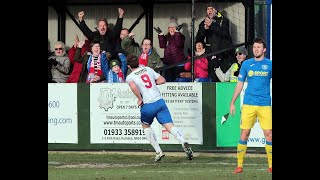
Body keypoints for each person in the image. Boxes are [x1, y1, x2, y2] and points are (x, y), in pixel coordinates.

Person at [125, 54, 193, 162]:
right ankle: (183, 140)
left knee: (145, 125)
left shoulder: (130, 76)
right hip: (160, 102)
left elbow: (133, 86)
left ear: (128, 66)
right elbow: (162, 80)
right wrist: (153, 83)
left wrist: (139, 98)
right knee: (170, 126)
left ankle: (158, 151)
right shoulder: (147, 69)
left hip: (148, 104)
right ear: (138, 62)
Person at [229, 38, 272, 173]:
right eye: (254, 47)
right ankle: (239, 165)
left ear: (264, 49)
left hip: (265, 104)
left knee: (269, 134)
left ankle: (271, 166)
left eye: (259, 47)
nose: (256, 49)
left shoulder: (270, 64)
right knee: (244, 134)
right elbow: (240, 84)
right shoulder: (247, 64)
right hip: (248, 104)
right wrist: (232, 102)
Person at [196, 3, 235, 82]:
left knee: (225, 83)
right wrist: (205, 29)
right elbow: (199, 39)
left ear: (216, 10)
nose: (209, 11)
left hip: (224, 58)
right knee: (213, 84)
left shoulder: (224, 21)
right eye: (208, 9)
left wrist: (212, 25)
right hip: (212, 59)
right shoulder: (203, 23)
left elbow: (225, 34)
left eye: (211, 9)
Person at [155, 16, 185, 82]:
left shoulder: (181, 36)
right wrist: (161, 35)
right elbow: (162, 45)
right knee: (168, 81)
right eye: (169, 27)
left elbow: (178, 44)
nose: (171, 29)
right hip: (168, 64)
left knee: (178, 81)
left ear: (176, 28)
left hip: (178, 64)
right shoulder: (166, 37)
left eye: (173, 27)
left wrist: (176, 33)